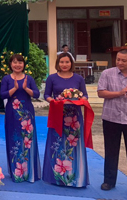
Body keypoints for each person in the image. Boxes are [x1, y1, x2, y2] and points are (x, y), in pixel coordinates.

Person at [43, 52, 89, 187]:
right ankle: (56, 177)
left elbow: (85, 95)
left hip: (74, 116)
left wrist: (80, 100)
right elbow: (46, 95)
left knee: (74, 144)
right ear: (58, 63)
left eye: (67, 62)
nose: (64, 64)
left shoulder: (79, 78)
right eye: (62, 62)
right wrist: (54, 101)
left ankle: (76, 178)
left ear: (71, 63)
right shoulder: (52, 78)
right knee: (56, 143)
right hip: (58, 114)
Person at [98, 49, 127, 192]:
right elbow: (101, 93)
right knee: (111, 150)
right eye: (118, 59)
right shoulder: (107, 74)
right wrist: (120, 93)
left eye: (123, 60)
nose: (120, 62)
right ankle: (109, 181)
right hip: (111, 118)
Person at [0, 54, 41, 183]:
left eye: (20, 62)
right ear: (10, 64)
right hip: (12, 113)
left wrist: (25, 88)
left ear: (23, 64)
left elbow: (36, 94)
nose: (17, 65)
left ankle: (29, 172)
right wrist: (15, 89)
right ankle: (16, 172)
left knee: (28, 141)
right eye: (14, 62)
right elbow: (2, 95)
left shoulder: (29, 78)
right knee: (14, 140)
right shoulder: (6, 79)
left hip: (27, 114)